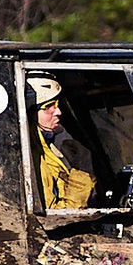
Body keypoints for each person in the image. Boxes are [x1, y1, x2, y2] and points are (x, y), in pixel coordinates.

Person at [31, 76, 97, 209]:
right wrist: (81, 172)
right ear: (31, 113)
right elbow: (54, 217)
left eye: (57, 105)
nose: (58, 112)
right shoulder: (33, 159)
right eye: (49, 106)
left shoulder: (48, 148)